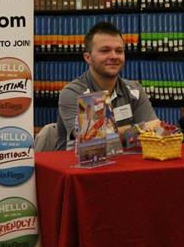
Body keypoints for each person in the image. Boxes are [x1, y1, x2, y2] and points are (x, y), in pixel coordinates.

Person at [56, 21, 159, 150]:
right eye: (105, 51)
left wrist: (140, 129)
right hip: (78, 166)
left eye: (119, 51)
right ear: (87, 57)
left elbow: (154, 127)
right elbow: (91, 139)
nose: (114, 56)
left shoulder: (135, 90)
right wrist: (138, 128)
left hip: (124, 164)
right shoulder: (73, 93)